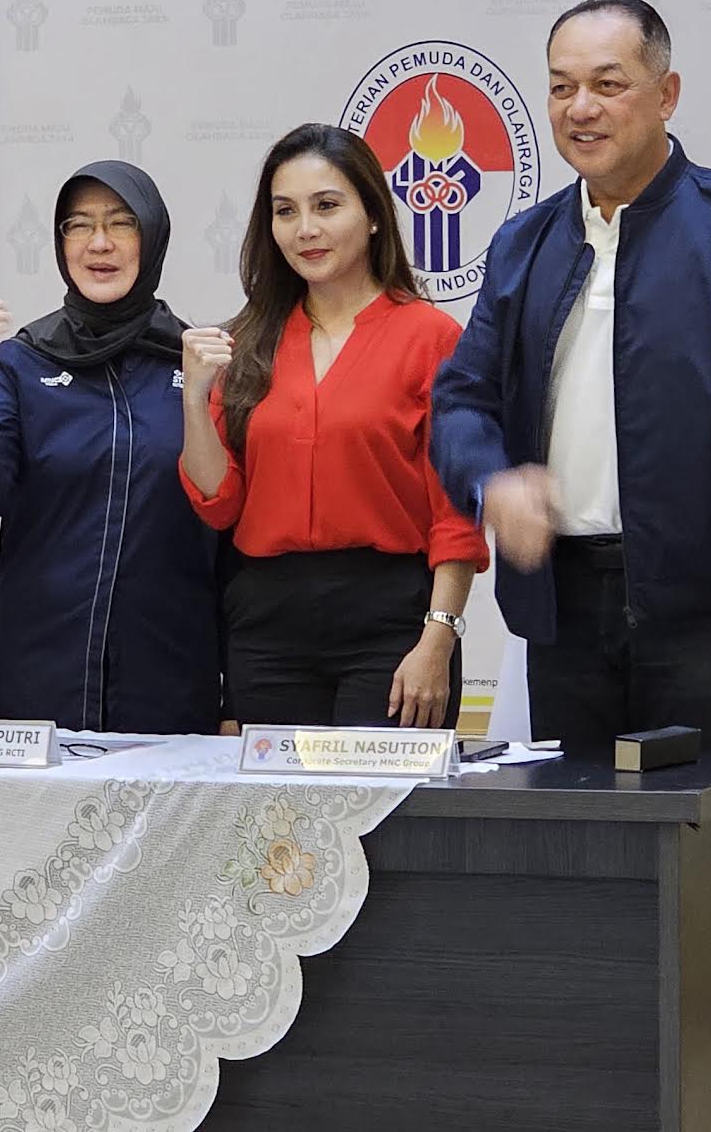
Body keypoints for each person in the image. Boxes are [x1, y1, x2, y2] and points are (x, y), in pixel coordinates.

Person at [432, 0, 711, 754]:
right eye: (560, 87)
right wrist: (491, 479)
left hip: (707, 615)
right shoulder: (523, 244)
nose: (579, 109)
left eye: (607, 84)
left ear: (667, 94)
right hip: (563, 608)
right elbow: (460, 397)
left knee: (701, 854)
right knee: (585, 855)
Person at [179, 124, 486, 730]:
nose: (305, 230)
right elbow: (219, 504)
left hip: (391, 622)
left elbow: (456, 516)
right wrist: (195, 401)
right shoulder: (245, 341)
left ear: (373, 214)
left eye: (326, 206)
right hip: (266, 626)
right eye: (285, 212)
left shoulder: (431, 338)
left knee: (384, 821)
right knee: (278, 825)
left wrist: (439, 639)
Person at [0, 160, 221, 734]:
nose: (99, 243)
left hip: (165, 676)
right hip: (34, 674)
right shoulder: (21, 362)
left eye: (121, 223)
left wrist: (236, 700)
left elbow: (235, 537)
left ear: (153, 236)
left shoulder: (198, 365)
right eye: (78, 224)